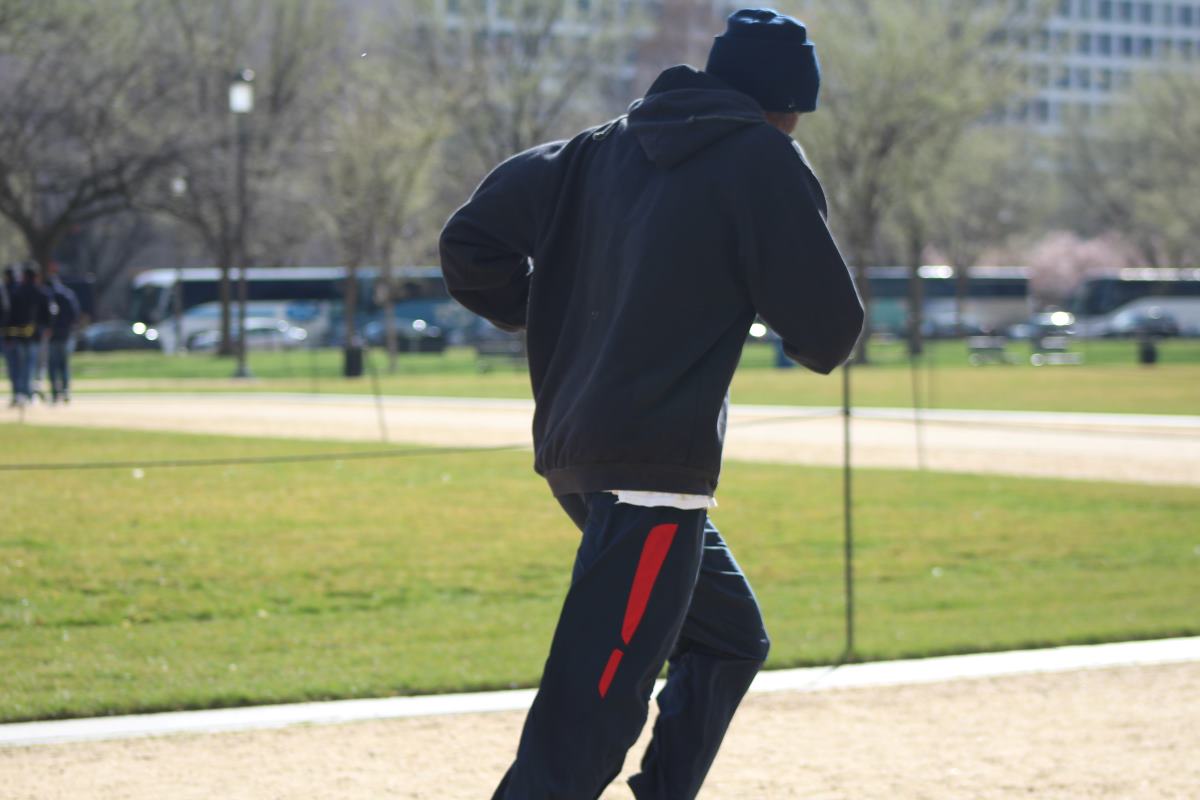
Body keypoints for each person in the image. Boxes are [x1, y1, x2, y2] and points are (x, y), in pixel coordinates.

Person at [440, 8, 863, 799]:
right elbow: (829, 332)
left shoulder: (593, 149)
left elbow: (469, 244)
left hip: (581, 454)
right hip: (654, 478)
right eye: (798, 111)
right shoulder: (761, 158)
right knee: (588, 715)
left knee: (730, 638)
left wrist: (555, 309)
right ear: (784, 104)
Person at [4, 267, 52, 407]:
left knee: (19, 365)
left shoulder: (16, 293)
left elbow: (10, 316)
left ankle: (20, 392)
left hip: (19, 334)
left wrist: (8, 334)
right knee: (30, 365)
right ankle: (27, 392)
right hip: (34, 335)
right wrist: (46, 327)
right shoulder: (41, 292)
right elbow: (47, 314)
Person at [44, 264, 81, 403]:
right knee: (64, 364)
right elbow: (75, 315)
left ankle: (55, 391)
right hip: (66, 333)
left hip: (52, 335)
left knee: (53, 364)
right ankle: (65, 390)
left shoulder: (48, 295)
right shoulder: (68, 295)